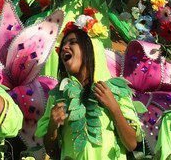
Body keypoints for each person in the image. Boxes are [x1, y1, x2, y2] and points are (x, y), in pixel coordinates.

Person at [36, 25, 141, 159]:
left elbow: (131, 144)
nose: (64, 48)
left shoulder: (115, 90)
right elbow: (53, 152)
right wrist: (53, 125)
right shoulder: (58, 96)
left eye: (73, 42)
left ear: (89, 50)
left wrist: (114, 108)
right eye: (63, 45)